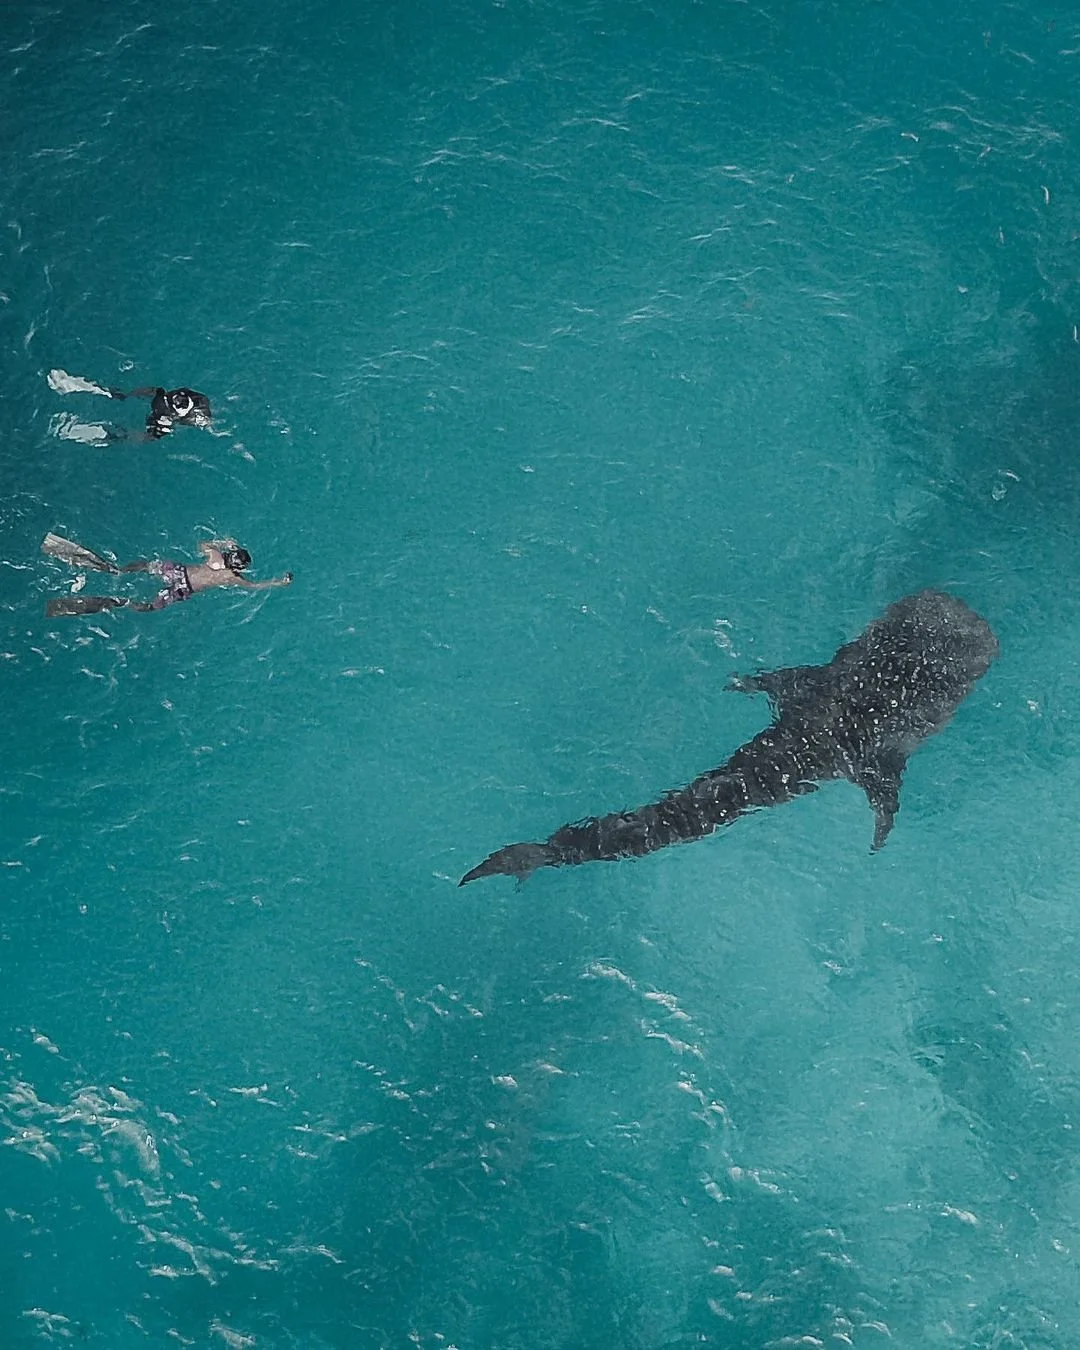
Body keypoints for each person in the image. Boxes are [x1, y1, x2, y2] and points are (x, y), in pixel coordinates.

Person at [42, 532, 292, 617]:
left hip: (177, 571)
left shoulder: (215, 556)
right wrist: (279, 582)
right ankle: (122, 602)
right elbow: (255, 586)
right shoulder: (232, 578)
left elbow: (202, 544)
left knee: (145, 566)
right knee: (150, 606)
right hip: (182, 590)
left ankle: (115, 569)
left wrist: (222, 542)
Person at [47, 369, 212, 443]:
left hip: (172, 420)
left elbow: (150, 436)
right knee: (139, 398)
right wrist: (127, 395)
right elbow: (154, 391)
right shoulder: (170, 396)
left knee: (147, 436)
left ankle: (112, 436)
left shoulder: (175, 419)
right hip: (169, 413)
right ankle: (112, 395)